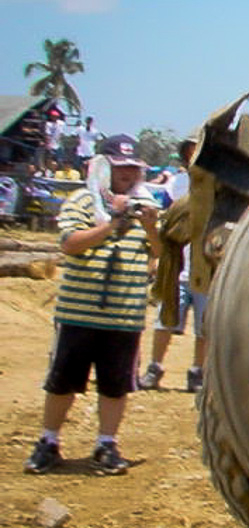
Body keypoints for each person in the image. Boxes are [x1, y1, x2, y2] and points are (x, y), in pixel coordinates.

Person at [23, 135, 160, 475]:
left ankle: (106, 444)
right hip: (78, 314)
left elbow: (159, 253)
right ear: (105, 168)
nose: (128, 175)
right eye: (121, 169)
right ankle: (49, 441)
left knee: (116, 385)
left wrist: (150, 225)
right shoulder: (83, 202)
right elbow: (69, 243)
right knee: (62, 381)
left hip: (124, 315)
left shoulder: (147, 204)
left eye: (132, 169)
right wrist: (112, 223)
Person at [138, 135, 205, 392]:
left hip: (206, 269)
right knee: (164, 322)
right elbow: (161, 215)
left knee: (204, 328)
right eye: (190, 152)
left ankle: (197, 372)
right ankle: (155, 367)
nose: (193, 157)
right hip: (176, 266)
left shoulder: (220, 184)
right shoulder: (177, 183)